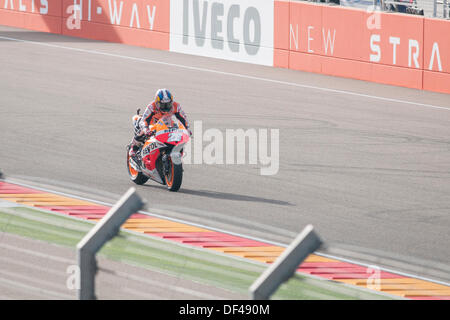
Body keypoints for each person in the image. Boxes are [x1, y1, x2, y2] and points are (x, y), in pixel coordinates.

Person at [129, 88, 191, 159]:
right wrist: (146, 129)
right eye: (163, 105)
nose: (166, 108)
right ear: (157, 103)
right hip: (152, 124)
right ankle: (134, 148)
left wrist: (187, 129)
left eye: (168, 104)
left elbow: (184, 119)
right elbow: (144, 120)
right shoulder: (152, 106)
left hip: (167, 124)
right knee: (142, 131)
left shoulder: (176, 106)